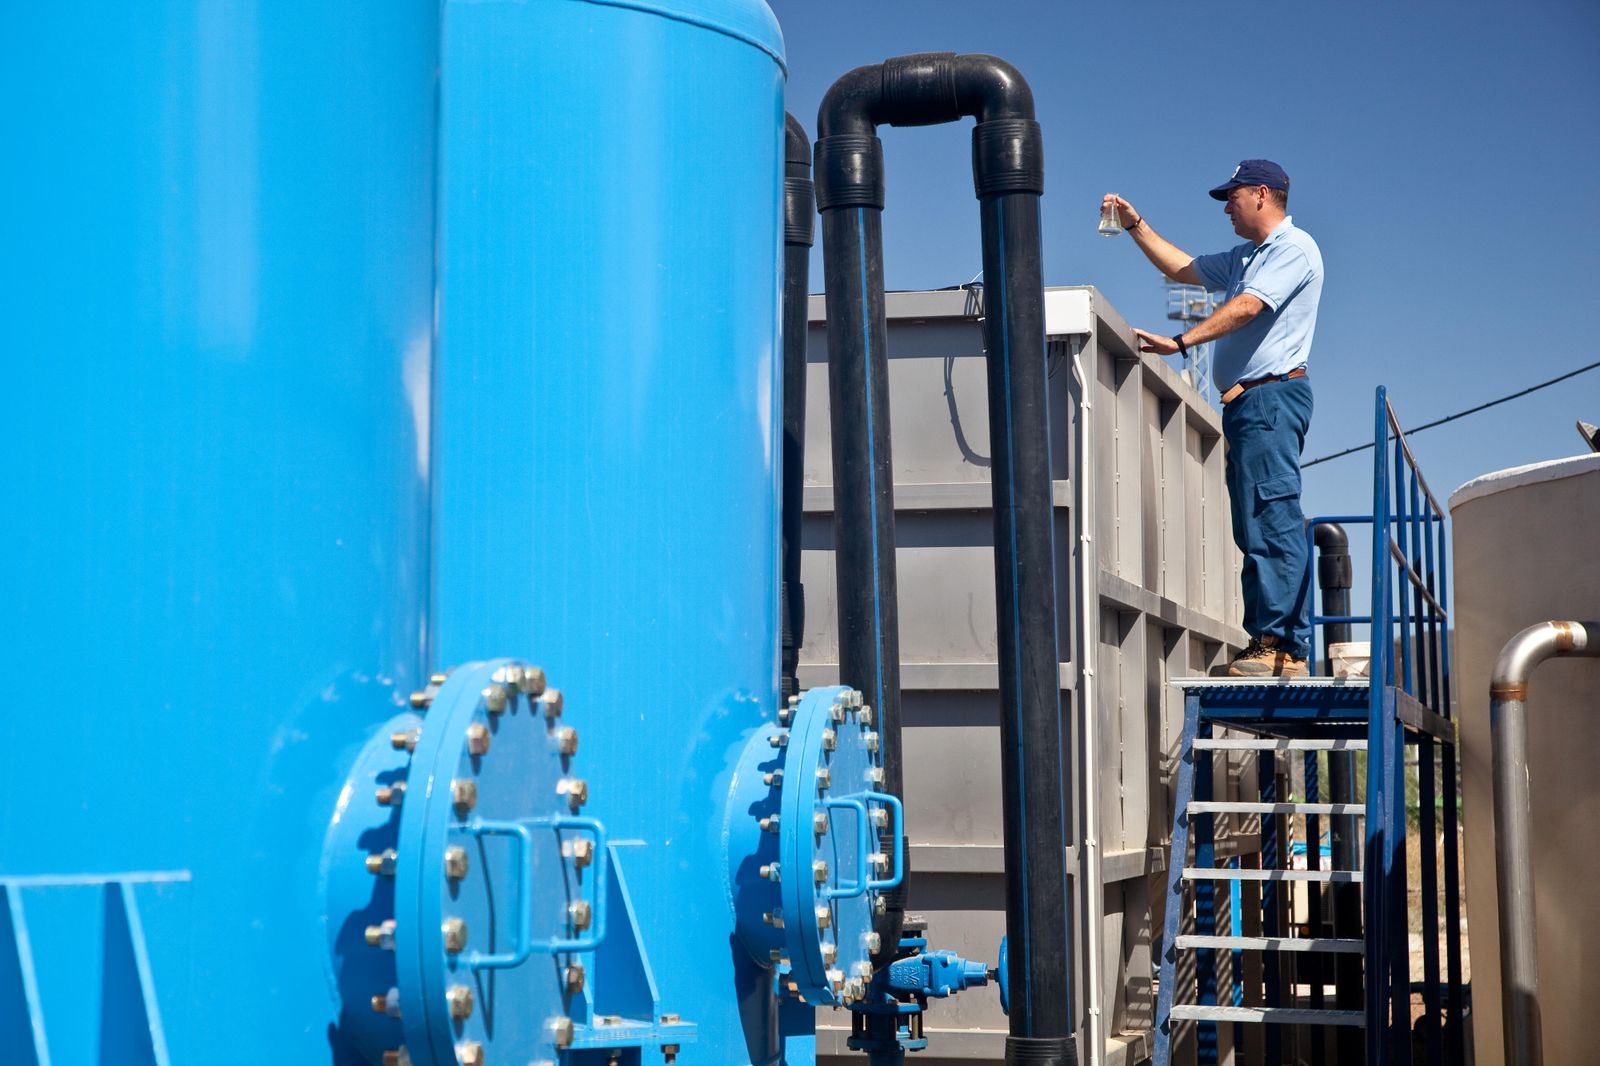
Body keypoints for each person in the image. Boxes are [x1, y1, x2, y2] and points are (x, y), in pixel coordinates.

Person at [1103, 160, 1323, 677]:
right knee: (1253, 524)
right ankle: (1266, 640)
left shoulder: (1292, 249)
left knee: (1272, 515)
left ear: (1262, 194)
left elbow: (1248, 307)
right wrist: (1136, 225)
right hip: (1249, 406)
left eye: (1233, 197)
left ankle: (1284, 647)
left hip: (1270, 399)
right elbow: (1183, 268)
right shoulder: (1248, 256)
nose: (1226, 208)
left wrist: (1180, 341)